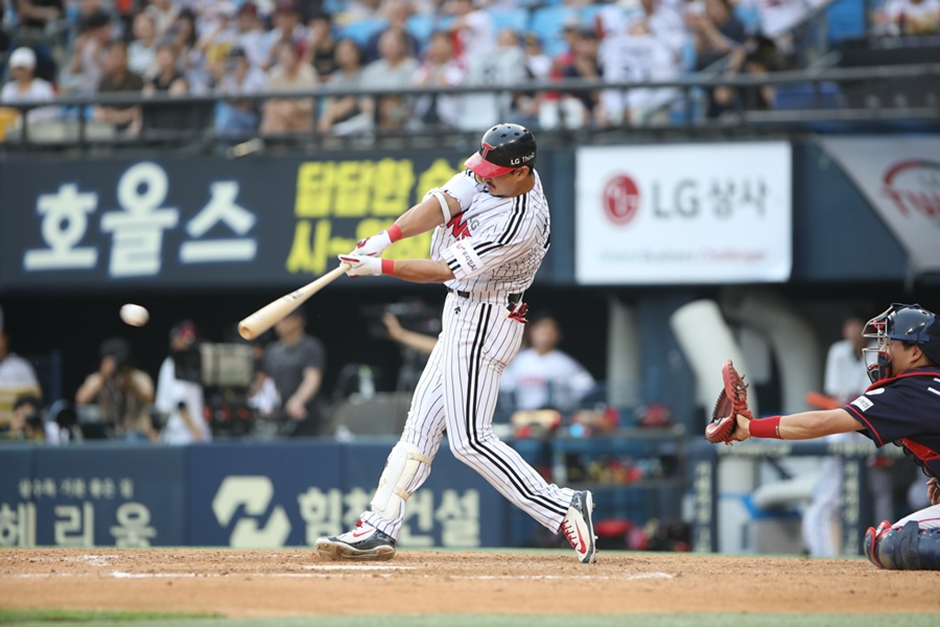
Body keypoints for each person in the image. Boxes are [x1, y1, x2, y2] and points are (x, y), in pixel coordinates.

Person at [316, 123, 597, 564]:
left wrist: (379, 267)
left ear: (521, 172)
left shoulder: (519, 222)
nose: (483, 178)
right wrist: (385, 238)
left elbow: (441, 270)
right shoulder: (494, 172)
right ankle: (379, 524)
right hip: (462, 311)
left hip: (487, 317)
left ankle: (562, 507)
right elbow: (442, 204)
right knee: (420, 427)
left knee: (470, 440)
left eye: (494, 174)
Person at [716, 303, 940, 570]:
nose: (883, 351)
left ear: (915, 352)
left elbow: (822, 422)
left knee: (889, 542)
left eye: (890, 343)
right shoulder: (928, 383)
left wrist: (750, 428)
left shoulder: (907, 391)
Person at [801, 315, 873, 557]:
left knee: (876, 489)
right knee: (830, 497)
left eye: (859, 326)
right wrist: (848, 405)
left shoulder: (878, 350)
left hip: (868, 425)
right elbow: (834, 393)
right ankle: (824, 554)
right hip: (843, 423)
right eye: (850, 326)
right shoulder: (838, 351)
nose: (854, 331)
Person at [500, 313, 596, 415]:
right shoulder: (518, 361)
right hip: (524, 416)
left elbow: (587, 390)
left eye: (550, 331)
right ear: (532, 331)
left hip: (558, 417)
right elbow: (505, 391)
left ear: (558, 334)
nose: (545, 335)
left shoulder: (566, 363)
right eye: (542, 330)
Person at [75, 337, 155, 441]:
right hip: (109, 436)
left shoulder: (138, 377)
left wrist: (131, 383)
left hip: (137, 435)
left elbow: (150, 397)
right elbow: (80, 400)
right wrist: (103, 376)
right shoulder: (100, 379)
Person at [264, 307, 326, 437]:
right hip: (278, 419)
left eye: (285, 319)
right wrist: (266, 403)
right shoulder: (272, 351)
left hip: (304, 417)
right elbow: (267, 381)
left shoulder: (310, 347)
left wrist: (298, 400)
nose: (280, 323)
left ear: (298, 320)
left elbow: (312, 378)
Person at [155, 320, 211, 445]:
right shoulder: (174, 365)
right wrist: (196, 432)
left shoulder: (187, 364)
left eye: (191, 337)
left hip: (188, 432)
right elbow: (180, 403)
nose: (188, 341)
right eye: (184, 337)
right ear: (174, 341)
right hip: (181, 434)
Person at [0, 326, 42, 431]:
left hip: (16, 430)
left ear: (5, 339)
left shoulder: (21, 367)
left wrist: (22, 415)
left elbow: (34, 401)